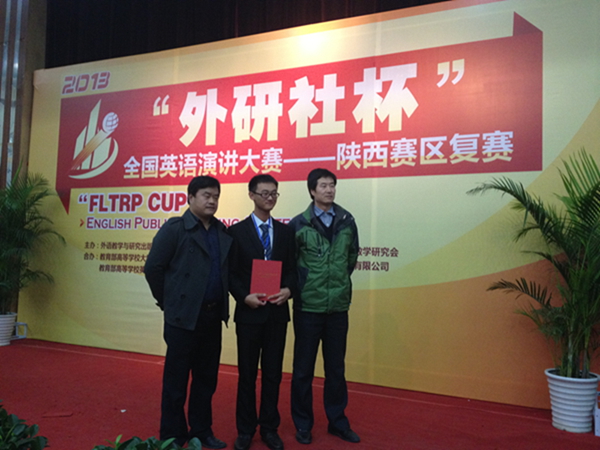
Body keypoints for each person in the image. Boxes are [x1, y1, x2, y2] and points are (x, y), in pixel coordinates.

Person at [144, 175, 232, 450]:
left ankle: (202, 430)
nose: (212, 201)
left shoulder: (221, 231)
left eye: (216, 196)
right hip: (182, 318)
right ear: (190, 197)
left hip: (212, 316)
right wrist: (169, 302)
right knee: (176, 381)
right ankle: (172, 435)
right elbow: (153, 269)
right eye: (206, 195)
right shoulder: (175, 229)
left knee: (206, 380)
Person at [289, 168, 360, 445]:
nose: (329, 190)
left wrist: (336, 282)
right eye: (323, 186)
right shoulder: (298, 224)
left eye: (332, 185)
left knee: (336, 370)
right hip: (308, 307)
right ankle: (303, 424)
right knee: (303, 370)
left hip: (338, 307)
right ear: (312, 191)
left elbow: (351, 258)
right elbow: (291, 263)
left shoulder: (347, 220)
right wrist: (308, 285)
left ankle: (337, 422)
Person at [228, 174, 296, 450]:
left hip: (277, 313)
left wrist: (288, 290)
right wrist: (244, 296)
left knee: (273, 374)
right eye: (264, 193)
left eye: (274, 193)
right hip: (249, 314)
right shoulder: (236, 232)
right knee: (247, 375)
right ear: (251, 195)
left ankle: (269, 428)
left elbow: (293, 269)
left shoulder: (285, 232)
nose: (269, 198)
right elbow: (231, 274)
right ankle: (245, 430)